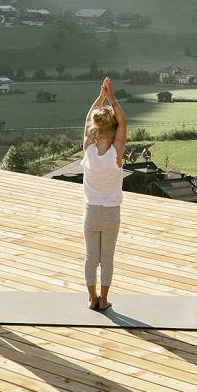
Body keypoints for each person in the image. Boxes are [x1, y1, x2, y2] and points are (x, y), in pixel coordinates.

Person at [81, 75, 126, 311]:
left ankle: (91, 299)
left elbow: (89, 117)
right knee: (106, 258)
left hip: (91, 214)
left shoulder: (88, 150)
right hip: (111, 214)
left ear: (94, 131)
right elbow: (124, 124)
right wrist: (112, 99)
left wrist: (100, 97)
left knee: (91, 258)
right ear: (113, 131)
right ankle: (104, 299)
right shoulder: (116, 155)